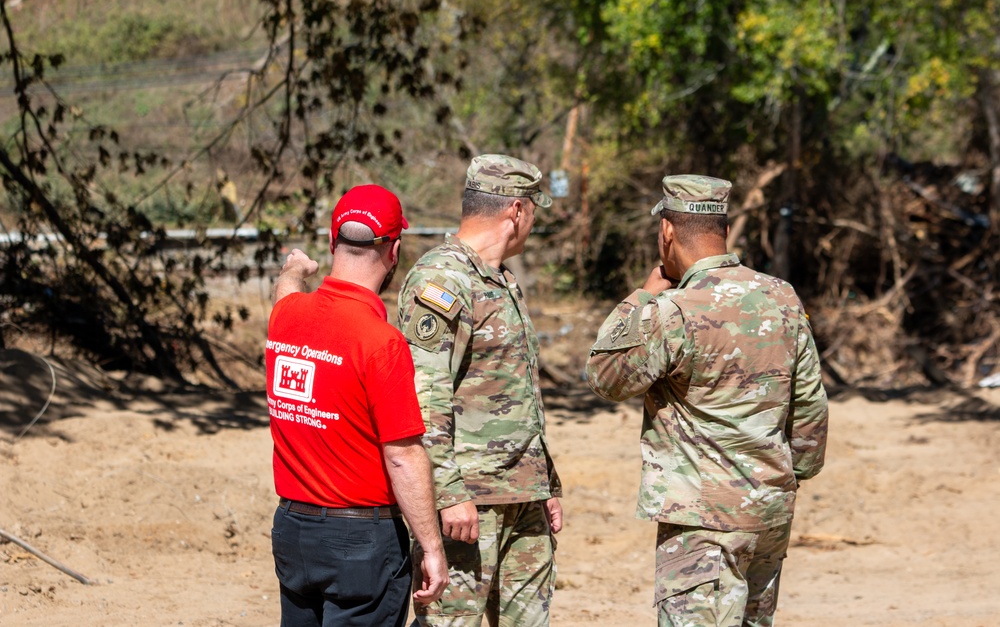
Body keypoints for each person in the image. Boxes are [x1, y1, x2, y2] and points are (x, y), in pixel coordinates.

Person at [586, 175, 829, 627]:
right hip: (770, 512)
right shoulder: (783, 297)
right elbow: (810, 405)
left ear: (667, 232)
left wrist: (639, 297)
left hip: (703, 523)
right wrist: (784, 477)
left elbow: (604, 377)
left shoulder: (673, 309)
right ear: (722, 227)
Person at [265, 184, 448, 627]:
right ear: (395, 250)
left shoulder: (286, 316)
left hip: (292, 529)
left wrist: (295, 268)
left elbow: (286, 288)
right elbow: (403, 457)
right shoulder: (380, 341)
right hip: (360, 541)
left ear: (332, 242)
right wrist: (432, 546)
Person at [397, 154, 563, 627]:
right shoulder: (441, 279)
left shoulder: (503, 280)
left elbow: (517, 393)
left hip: (523, 500)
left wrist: (545, 483)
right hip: (470, 508)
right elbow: (425, 399)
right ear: (516, 211)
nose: (533, 222)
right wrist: (448, 494)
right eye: (534, 211)